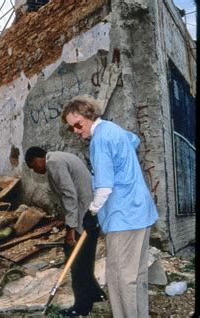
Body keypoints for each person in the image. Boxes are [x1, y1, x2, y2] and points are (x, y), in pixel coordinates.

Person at [61, 95, 158, 318]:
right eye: (71, 128)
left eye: (78, 124)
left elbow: (104, 187)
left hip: (124, 216)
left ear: (89, 116)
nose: (76, 131)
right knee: (136, 274)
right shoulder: (113, 129)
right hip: (139, 211)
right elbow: (134, 140)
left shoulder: (100, 141)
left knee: (121, 278)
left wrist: (92, 212)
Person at [25, 147, 106, 316]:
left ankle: (81, 307)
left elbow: (70, 195)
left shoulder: (53, 162)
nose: (35, 171)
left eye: (33, 166)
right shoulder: (60, 158)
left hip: (84, 217)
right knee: (85, 258)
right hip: (88, 214)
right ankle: (96, 294)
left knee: (76, 261)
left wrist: (70, 229)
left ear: (39, 158)